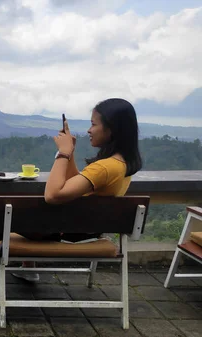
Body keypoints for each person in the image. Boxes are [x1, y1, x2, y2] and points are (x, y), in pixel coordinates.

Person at [14, 98, 143, 282]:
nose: (89, 130)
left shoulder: (105, 167)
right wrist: (71, 151)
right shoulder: (121, 164)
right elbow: (76, 182)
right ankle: (28, 267)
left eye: (93, 124)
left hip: (66, 233)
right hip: (87, 230)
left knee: (2, 217)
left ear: (111, 129)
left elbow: (52, 195)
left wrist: (63, 153)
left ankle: (12, 268)